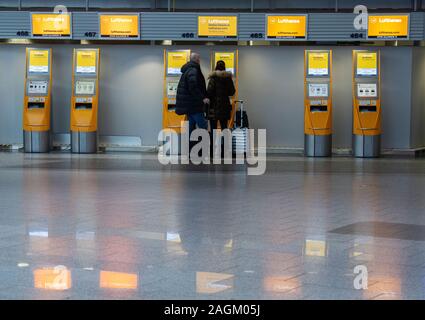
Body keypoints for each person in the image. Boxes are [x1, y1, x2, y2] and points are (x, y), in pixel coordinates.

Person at [175, 52, 210, 135]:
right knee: (203, 128)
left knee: (191, 129)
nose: (199, 60)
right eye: (199, 59)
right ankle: (207, 146)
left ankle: (190, 146)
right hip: (195, 105)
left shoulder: (188, 70)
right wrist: (203, 98)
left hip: (190, 106)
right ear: (196, 60)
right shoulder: (193, 70)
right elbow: (193, 87)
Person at [206, 60, 236, 131]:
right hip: (225, 106)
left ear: (216, 67)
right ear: (224, 67)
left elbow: (209, 92)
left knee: (213, 128)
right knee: (224, 127)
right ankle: (224, 142)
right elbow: (232, 92)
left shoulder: (213, 78)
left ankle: (213, 142)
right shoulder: (228, 78)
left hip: (213, 106)